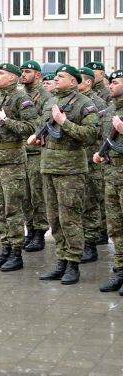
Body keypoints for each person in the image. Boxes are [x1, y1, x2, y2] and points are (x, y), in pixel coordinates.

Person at [29, 65, 99, 285]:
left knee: (70, 218)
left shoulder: (85, 103)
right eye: (56, 76)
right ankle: (61, 260)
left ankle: (73, 263)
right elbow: (44, 128)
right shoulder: (51, 101)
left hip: (71, 169)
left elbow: (91, 134)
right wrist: (38, 137)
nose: (56, 79)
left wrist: (64, 122)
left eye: (61, 76)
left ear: (73, 81)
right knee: (55, 219)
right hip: (48, 165)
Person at [0, 63, 38, 272]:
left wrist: (5, 120)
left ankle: (16, 252)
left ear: (13, 78)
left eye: (2, 74)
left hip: (12, 161)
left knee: (12, 208)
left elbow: (31, 128)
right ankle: (5, 248)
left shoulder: (22, 99)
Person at [93, 69, 123, 294]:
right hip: (112, 175)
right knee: (116, 227)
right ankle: (120, 270)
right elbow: (106, 139)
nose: (110, 85)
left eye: (116, 82)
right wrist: (101, 153)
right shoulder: (110, 110)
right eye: (110, 82)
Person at [77, 67, 109, 262]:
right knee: (78, 203)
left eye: (78, 80)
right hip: (75, 160)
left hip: (91, 160)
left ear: (88, 82)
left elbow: (100, 132)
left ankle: (91, 244)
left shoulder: (97, 103)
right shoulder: (74, 101)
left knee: (91, 202)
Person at [19, 61, 51, 252]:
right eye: (22, 71)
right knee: (24, 195)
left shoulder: (46, 97)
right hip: (20, 151)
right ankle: (30, 229)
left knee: (37, 194)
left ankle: (39, 231)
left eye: (27, 71)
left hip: (36, 152)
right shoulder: (21, 95)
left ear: (38, 75)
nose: (23, 74)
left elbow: (43, 122)